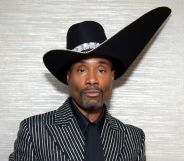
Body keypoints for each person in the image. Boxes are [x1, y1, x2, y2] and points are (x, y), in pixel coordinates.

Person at [9, 7, 171, 161]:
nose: (92, 79)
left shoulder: (133, 138)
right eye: (81, 70)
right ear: (68, 77)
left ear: (112, 76)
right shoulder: (34, 130)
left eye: (101, 70)